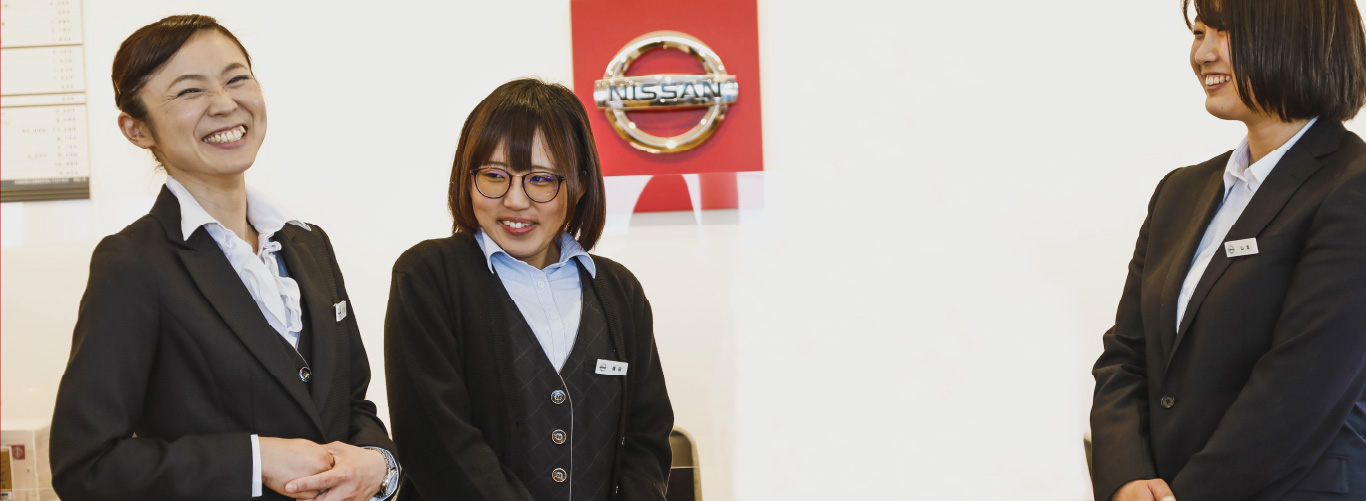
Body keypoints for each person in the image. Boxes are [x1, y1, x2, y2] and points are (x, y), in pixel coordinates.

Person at [49, 15, 399, 501]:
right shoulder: (132, 263)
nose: (225, 103)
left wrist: (380, 464)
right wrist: (256, 460)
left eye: (236, 79)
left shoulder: (308, 243)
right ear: (136, 129)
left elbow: (352, 405)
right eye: (190, 91)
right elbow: (87, 466)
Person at [1090, 0, 1366, 499]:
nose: (1203, 54)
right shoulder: (1179, 192)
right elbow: (1126, 356)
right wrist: (1126, 477)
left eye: (1226, 31)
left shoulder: (1353, 187)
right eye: (1199, 33)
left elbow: (1302, 386)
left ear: (1299, 35)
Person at [384, 78, 674, 500]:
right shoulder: (428, 276)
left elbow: (647, 438)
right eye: (494, 175)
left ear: (580, 184)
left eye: (540, 179)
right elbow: (434, 439)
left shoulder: (619, 292)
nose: (516, 200)